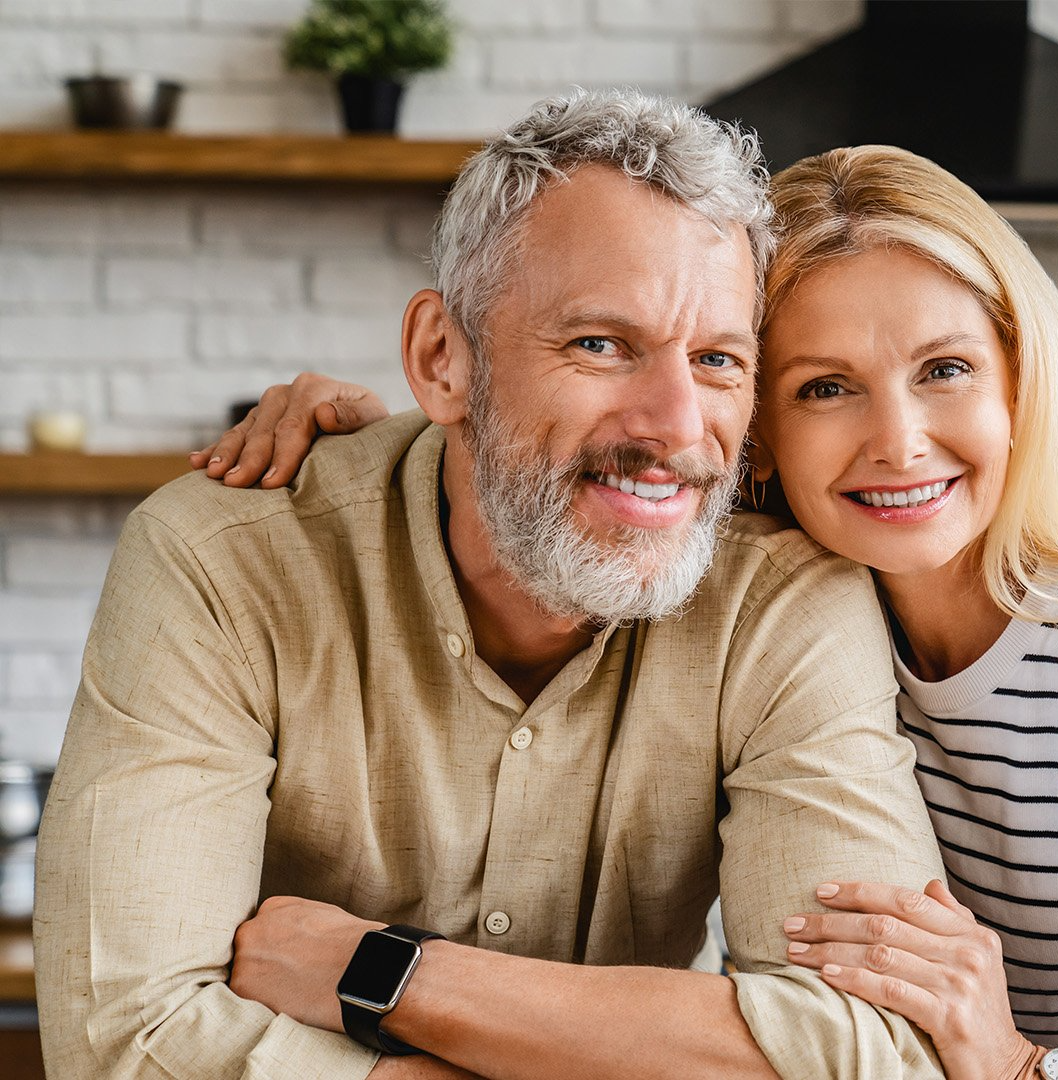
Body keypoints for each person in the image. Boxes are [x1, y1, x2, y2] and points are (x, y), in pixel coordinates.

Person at [221, 145, 1058, 1080]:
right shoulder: (795, 603)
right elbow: (581, 452)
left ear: (1020, 379)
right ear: (760, 435)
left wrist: (1023, 1071)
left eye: (944, 369)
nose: (898, 444)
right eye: (825, 386)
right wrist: (381, 436)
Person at [33, 90, 950, 1080]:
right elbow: (123, 1044)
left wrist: (384, 975)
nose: (678, 427)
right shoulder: (225, 562)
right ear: (442, 360)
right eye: (601, 344)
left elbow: (872, 1053)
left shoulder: (782, 601)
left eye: (718, 360)